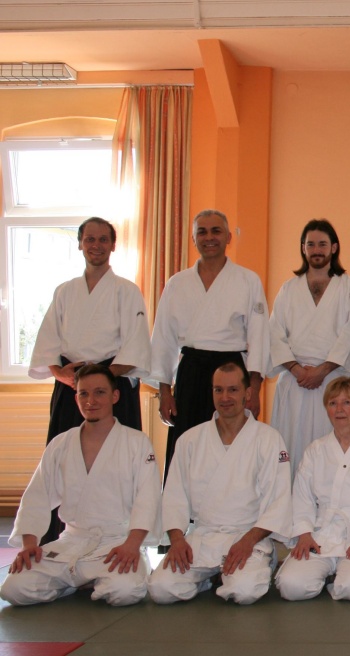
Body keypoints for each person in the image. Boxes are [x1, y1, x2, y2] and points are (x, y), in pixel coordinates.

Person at [28, 217, 151, 544]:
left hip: (113, 383)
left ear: (113, 245)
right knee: (62, 460)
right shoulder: (65, 291)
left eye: (103, 239)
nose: (96, 245)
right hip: (72, 385)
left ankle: (124, 537)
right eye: (89, 239)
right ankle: (56, 538)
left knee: (119, 459)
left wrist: (102, 381)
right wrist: (64, 375)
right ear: (80, 243)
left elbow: (136, 344)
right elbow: (48, 345)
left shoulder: (127, 291)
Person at [1, 364, 161, 606]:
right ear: (76, 397)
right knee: (14, 588)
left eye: (99, 392)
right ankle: (74, 581)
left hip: (117, 542)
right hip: (71, 542)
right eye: (83, 393)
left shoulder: (136, 442)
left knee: (125, 591)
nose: (91, 401)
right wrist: (29, 545)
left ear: (114, 396)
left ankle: (79, 580)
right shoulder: (61, 443)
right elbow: (38, 495)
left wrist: (132, 545)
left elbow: (148, 498)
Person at [148, 362, 291, 605]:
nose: (225, 397)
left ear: (247, 393)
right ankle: (206, 578)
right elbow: (174, 496)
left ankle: (257, 565)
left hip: (248, 537)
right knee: (161, 588)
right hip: (203, 537)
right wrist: (178, 540)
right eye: (218, 390)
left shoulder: (268, 439)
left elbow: (278, 501)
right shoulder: (190, 440)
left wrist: (247, 541)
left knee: (244, 592)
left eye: (233, 390)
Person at [149, 209, 271, 475]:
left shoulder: (247, 280)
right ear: (193, 239)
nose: (209, 237)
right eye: (201, 232)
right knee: (187, 443)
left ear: (228, 237)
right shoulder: (177, 283)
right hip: (191, 369)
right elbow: (163, 338)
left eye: (216, 231)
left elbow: (260, 335)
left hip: (232, 369)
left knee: (232, 442)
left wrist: (254, 387)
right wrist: (165, 391)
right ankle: (184, 514)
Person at [275, 377, 350, 601]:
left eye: (347, 403)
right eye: (333, 403)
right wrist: (304, 534)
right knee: (291, 587)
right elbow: (302, 496)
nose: (339, 409)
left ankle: (340, 577)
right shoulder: (315, 450)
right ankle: (329, 570)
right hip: (321, 534)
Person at [269, 219, 350, 471]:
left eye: (322, 244)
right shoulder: (288, 290)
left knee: (331, 454)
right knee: (290, 450)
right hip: (294, 380)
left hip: (332, 382)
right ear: (303, 248)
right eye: (311, 244)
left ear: (334, 247)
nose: (317, 250)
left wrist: (321, 371)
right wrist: (297, 370)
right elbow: (274, 333)